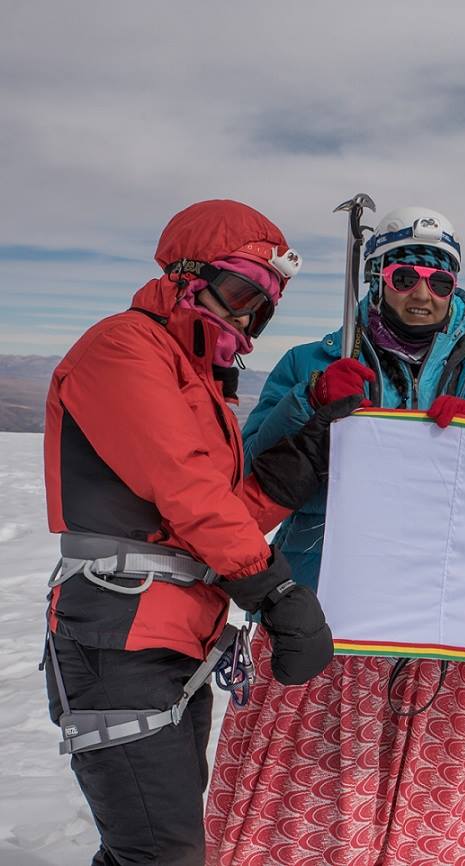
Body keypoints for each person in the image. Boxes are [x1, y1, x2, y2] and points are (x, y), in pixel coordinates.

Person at [206, 206, 465, 866]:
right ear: (379, 275)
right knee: (307, 817)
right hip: (328, 612)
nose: (422, 292)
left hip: (448, 630)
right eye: (407, 274)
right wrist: (309, 403)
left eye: (440, 281)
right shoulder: (313, 361)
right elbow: (243, 470)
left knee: (427, 827)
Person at [42, 199, 346, 866]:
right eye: (239, 291)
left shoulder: (199, 381)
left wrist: (313, 443)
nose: (243, 317)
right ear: (186, 274)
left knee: (151, 849)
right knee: (164, 853)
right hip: (117, 641)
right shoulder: (123, 348)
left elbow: (225, 506)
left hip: (173, 642)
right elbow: (186, 487)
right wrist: (275, 591)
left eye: (261, 307)